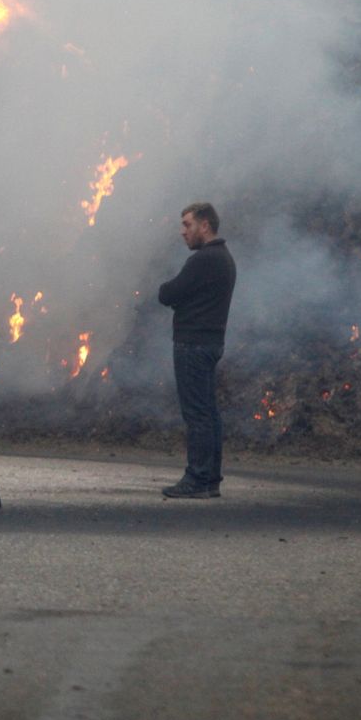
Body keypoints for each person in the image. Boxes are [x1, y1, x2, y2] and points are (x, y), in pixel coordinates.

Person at [156, 202, 236, 498]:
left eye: (187, 225)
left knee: (197, 414)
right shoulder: (223, 258)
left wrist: (173, 296)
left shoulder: (204, 260)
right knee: (208, 413)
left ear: (205, 225)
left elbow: (169, 293)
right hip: (210, 342)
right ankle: (210, 478)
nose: (182, 232)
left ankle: (198, 479)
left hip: (194, 344)